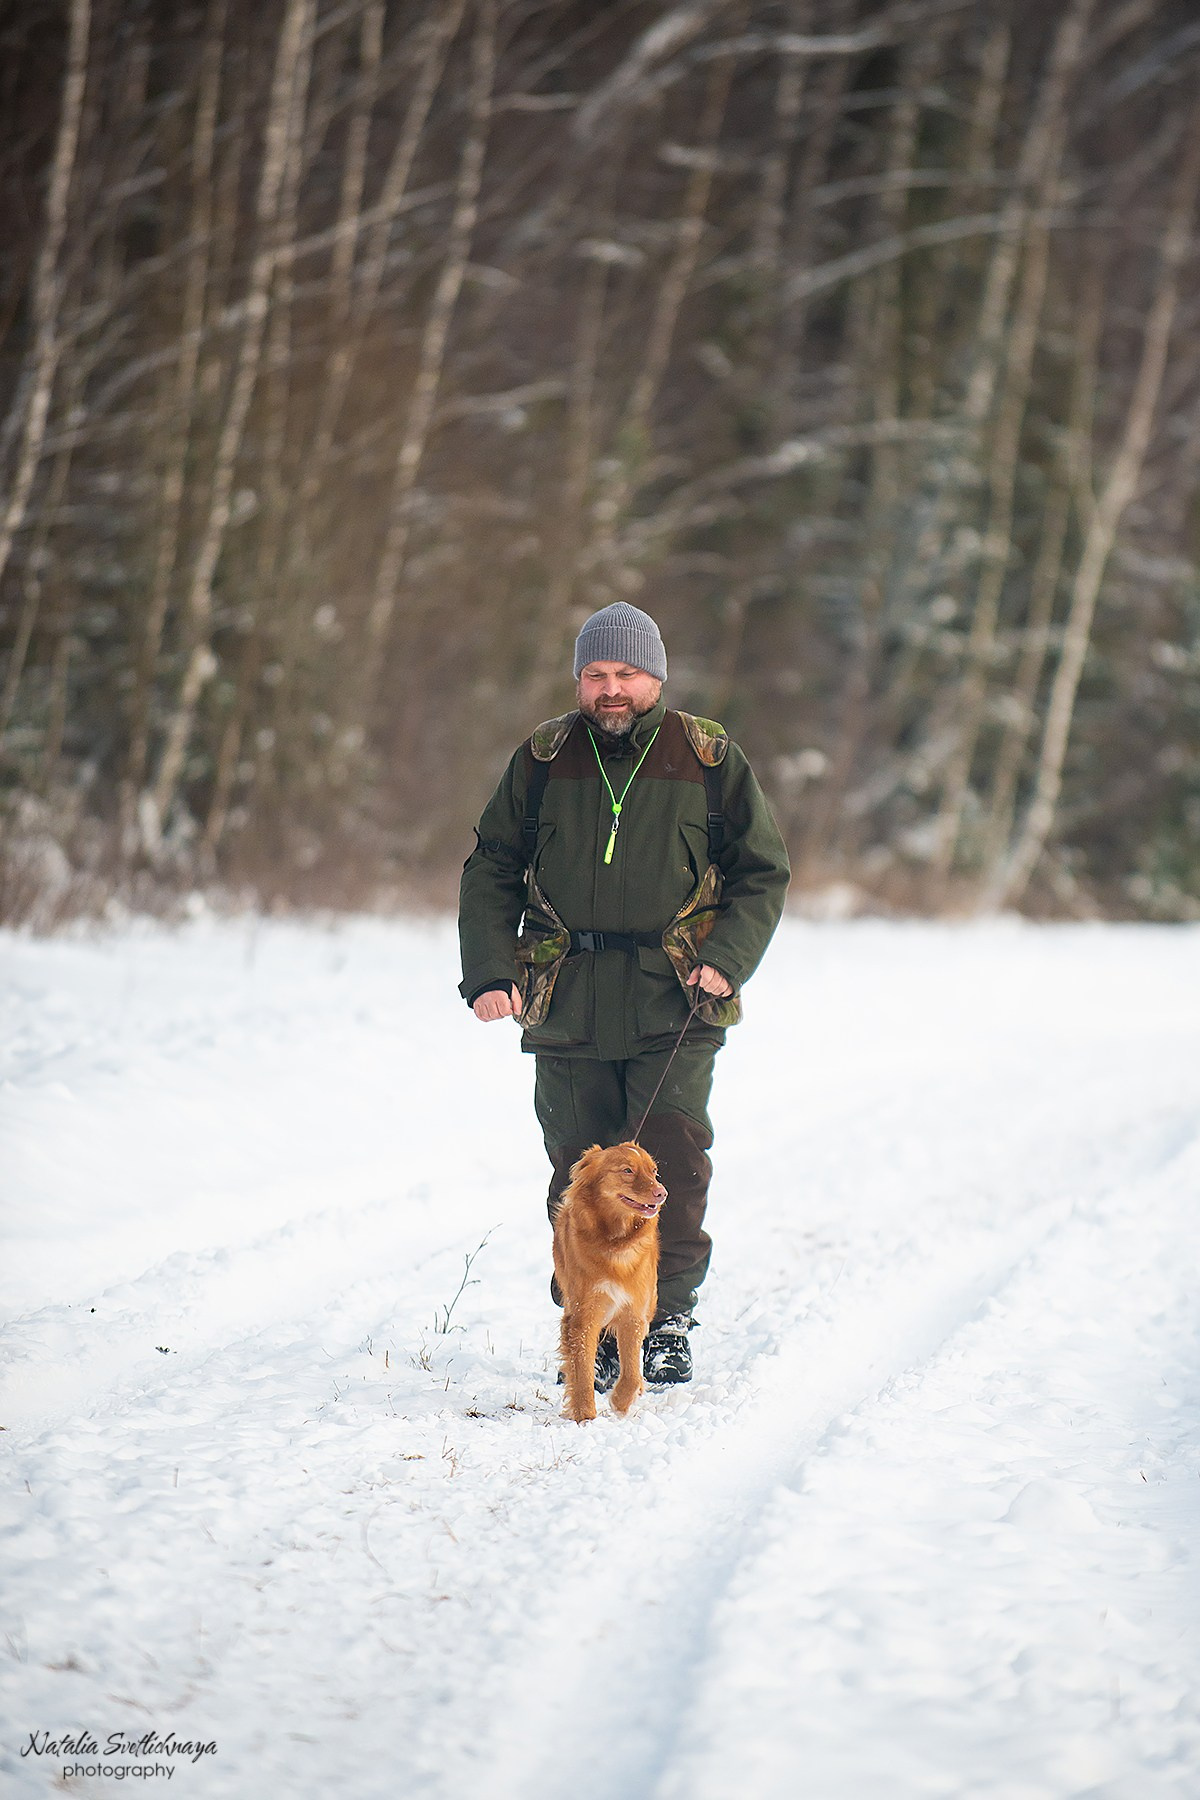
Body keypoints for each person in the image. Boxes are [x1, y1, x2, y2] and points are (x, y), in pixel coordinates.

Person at [458, 601, 790, 1386]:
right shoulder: (542, 758)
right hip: (566, 999)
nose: (611, 690)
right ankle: (593, 1320)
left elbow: (761, 871)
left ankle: (663, 1320)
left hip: (676, 998)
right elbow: (491, 866)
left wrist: (729, 956)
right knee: (579, 1170)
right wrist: (488, 970)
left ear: (656, 678)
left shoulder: (707, 757)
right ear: (581, 680)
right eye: (596, 675)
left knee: (667, 1163)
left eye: (626, 675)